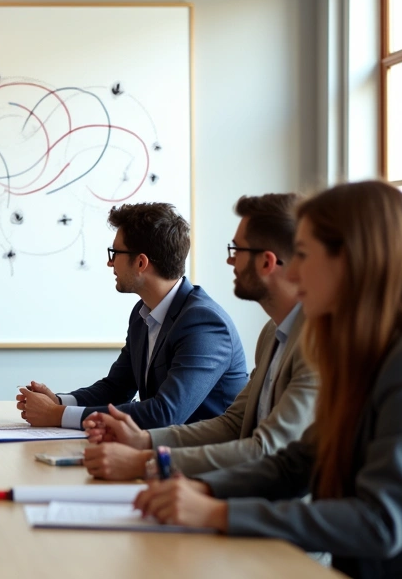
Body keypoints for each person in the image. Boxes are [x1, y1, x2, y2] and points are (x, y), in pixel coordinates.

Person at [135, 181, 402, 579]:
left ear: (352, 261)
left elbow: (380, 521)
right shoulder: (359, 354)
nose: (293, 270)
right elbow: (295, 464)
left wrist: (219, 512)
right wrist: (207, 490)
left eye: (303, 254)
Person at [82, 194, 317, 479]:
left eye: (237, 249)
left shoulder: (315, 343)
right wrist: (146, 442)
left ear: (267, 263)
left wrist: (148, 461)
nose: (230, 260)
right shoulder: (272, 332)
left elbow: (264, 448)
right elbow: (233, 424)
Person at [16, 202, 247, 429]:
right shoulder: (142, 313)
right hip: (158, 452)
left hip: (203, 461)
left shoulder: (203, 323)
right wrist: (58, 402)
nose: (109, 262)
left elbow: (165, 413)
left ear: (140, 262)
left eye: (114, 253)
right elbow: (116, 388)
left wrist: (58, 415)